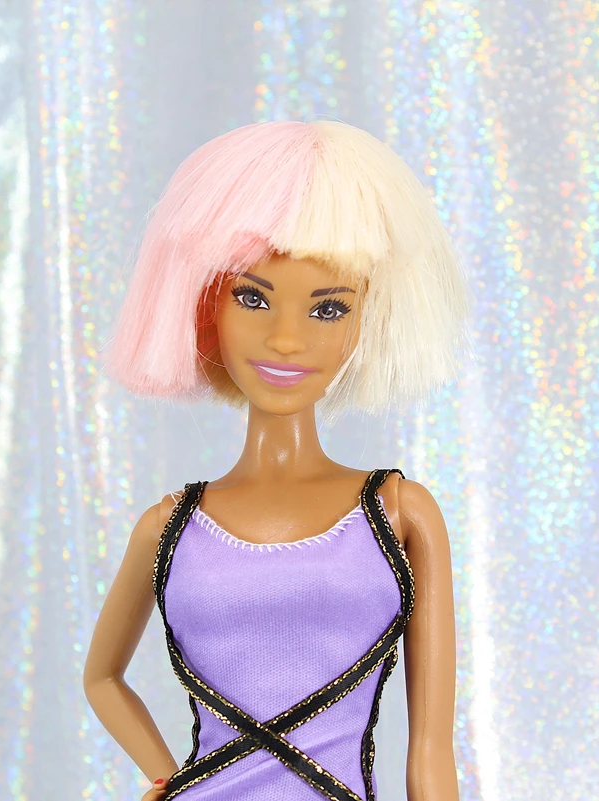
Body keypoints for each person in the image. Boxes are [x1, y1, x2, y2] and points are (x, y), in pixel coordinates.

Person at [83, 120, 473, 801]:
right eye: (252, 298)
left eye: (328, 308)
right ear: (207, 307)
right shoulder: (169, 527)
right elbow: (101, 677)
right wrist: (168, 778)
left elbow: (432, 751)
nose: (286, 338)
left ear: (367, 319)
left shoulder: (399, 514)